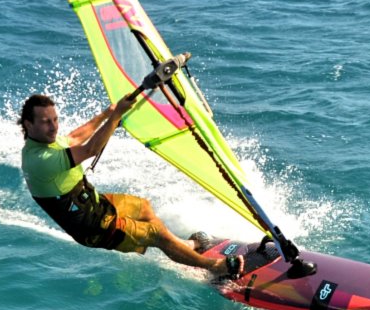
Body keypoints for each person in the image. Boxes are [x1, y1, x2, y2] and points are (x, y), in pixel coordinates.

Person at [18, 92, 242, 278]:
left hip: (96, 204)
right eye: (46, 122)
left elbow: (76, 137)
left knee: (144, 208)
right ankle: (214, 268)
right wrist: (116, 115)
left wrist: (108, 112)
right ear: (28, 124)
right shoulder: (39, 160)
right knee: (155, 234)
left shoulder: (48, 140)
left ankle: (187, 247)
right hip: (95, 228)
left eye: (55, 119)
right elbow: (89, 150)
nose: (53, 127)